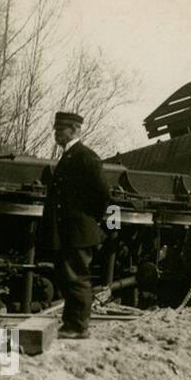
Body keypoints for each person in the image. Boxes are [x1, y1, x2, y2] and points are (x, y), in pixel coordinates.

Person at [41, 110, 109, 339]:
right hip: (71, 230)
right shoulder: (70, 156)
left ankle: (78, 326)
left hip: (79, 230)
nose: (56, 134)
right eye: (56, 129)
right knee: (68, 275)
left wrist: (89, 221)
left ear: (74, 130)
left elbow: (103, 195)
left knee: (76, 275)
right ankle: (71, 323)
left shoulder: (85, 157)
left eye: (60, 129)